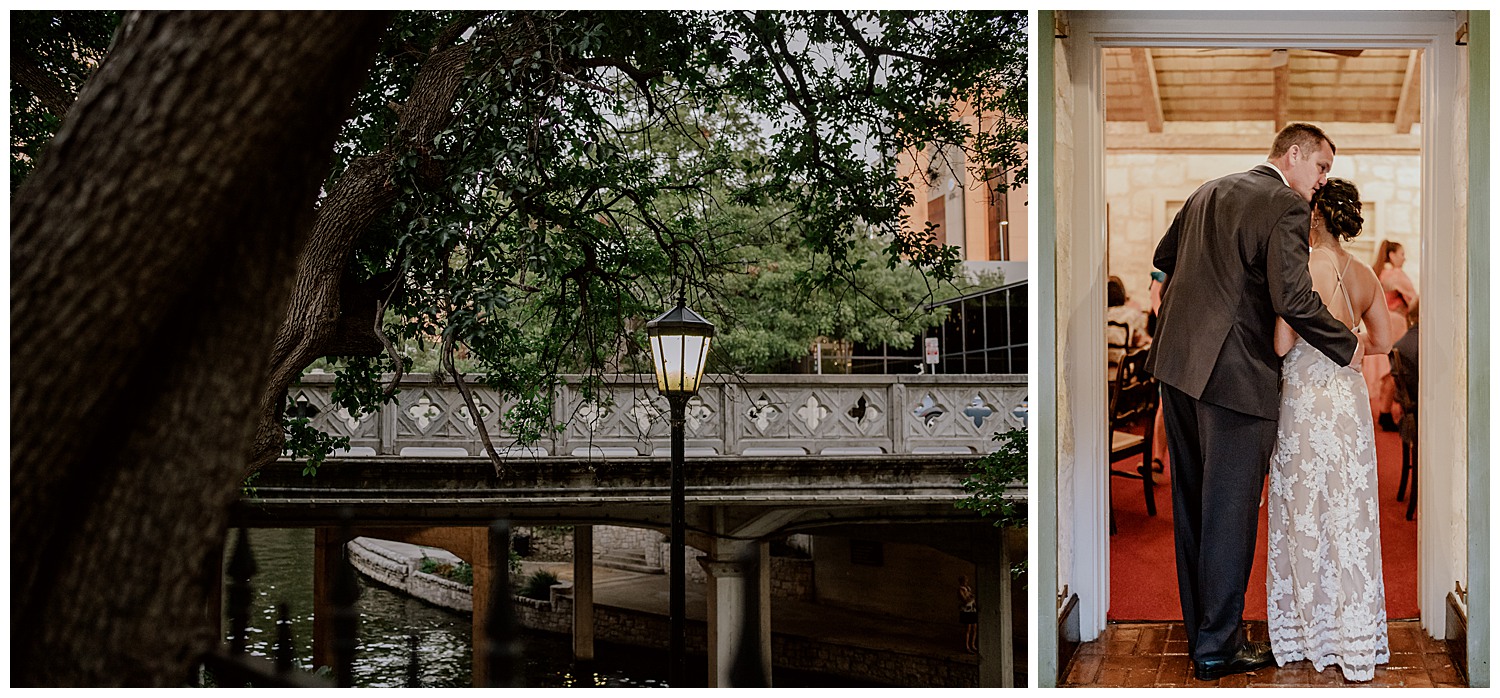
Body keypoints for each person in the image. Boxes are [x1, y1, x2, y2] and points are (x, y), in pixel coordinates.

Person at [1146, 123, 1362, 682]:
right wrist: (1346, 343)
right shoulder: (1284, 205)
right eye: (1320, 168)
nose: (1320, 183)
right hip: (1235, 378)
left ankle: (1205, 636)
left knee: (1194, 508)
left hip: (1178, 367)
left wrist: (1164, 296)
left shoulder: (1208, 190)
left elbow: (1163, 256)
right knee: (1229, 514)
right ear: (1294, 156)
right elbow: (1293, 297)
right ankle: (1218, 648)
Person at [1267, 177, 1394, 681]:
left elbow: (1281, 344)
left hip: (1304, 403)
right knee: (1349, 514)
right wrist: (1350, 334)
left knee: (1304, 513)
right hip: (1348, 403)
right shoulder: (1365, 274)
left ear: (1314, 215)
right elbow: (1381, 340)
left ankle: (1305, 631)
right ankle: (1354, 635)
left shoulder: (1302, 268)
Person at [1365, 240, 1419, 429]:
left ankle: (1384, 411)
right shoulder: (1396, 275)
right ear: (1392, 255)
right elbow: (1414, 299)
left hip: (1379, 323)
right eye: (1402, 254)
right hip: (1395, 322)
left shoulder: (1379, 272)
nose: (1404, 258)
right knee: (1393, 370)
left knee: (1387, 369)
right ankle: (1386, 413)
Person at [1106, 275, 1150, 378]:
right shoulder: (1131, 314)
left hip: (1103, 368)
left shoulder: (1101, 316)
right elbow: (1138, 338)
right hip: (1123, 370)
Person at [958, 575, 978, 653]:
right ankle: (967, 646)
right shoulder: (960, 589)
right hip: (966, 610)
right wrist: (971, 597)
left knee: (974, 628)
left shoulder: (968, 588)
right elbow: (965, 600)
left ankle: (973, 645)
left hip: (972, 609)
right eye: (965, 580)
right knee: (968, 629)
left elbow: (972, 598)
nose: (966, 581)